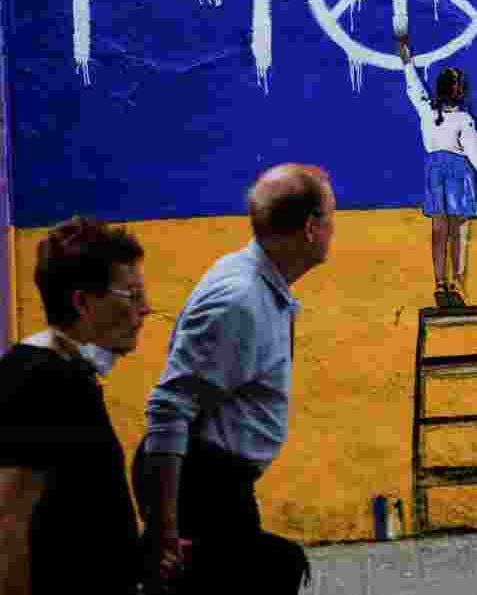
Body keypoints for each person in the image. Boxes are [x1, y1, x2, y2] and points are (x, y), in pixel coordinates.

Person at [134, 164, 335, 595]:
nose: (334, 229)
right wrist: (165, 527)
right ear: (310, 229)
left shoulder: (259, 285)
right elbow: (169, 410)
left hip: (219, 483)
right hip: (200, 484)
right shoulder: (241, 300)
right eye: (330, 218)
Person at [0, 216, 151, 595]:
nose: (146, 308)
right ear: (83, 302)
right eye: (132, 296)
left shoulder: (68, 373)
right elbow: (9, 522)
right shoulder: (41, 380)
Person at [398, 32, 477, 308]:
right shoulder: (463, 119)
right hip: (459, 174)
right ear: (459, 93)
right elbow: (476, 154)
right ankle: (457, 282)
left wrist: (407, 63)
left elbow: (414, 89)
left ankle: (439, 282)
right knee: (458, 232)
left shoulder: (427, 111)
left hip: (435, 172)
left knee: (438, 231)